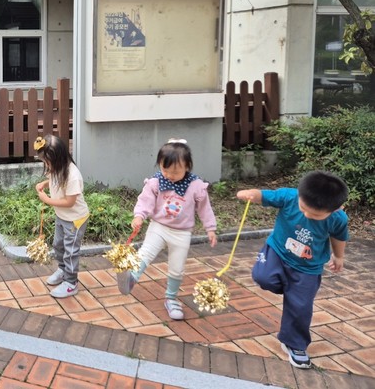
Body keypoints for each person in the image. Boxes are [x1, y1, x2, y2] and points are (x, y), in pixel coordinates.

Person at [236, 171, 348, 369]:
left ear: (335, 209)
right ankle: (290, 290)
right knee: (263, 277)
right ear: (299, 195)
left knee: (301, 307)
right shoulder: (289, 196)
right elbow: (266, 196)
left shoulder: (338, 218)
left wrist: (338, 256)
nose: (307, 215)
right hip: (277, 252)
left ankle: (295, 344)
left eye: (315, 215)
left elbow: (338, 238)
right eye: (303, 208)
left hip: (308, 268)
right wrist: (251, 194)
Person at [117, 139, 217, 321]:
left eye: (175, 172)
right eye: (165, 170)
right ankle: (130, 279)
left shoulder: (196, 186)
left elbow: (205, 209)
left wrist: (210, 228)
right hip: (158, 227)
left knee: (177, 268)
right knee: (145, 253)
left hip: (182, 233)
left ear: (187, 166)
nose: (170, 175)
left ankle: (171, 299)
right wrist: (139, 216)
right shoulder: (156, 182)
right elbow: (145, 200)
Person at [34, 135, 90, 299]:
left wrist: (47, 200)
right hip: (62, 217)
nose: (46, 165)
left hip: (75, 219)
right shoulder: (57, 168)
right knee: (58, 245)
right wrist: (44, 184)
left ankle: (71, 283)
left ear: (58, 158)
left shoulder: (73, 175)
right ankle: (63, 269)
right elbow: (54, 180)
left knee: (70, 251)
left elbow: (69, 202)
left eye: (47, 161)